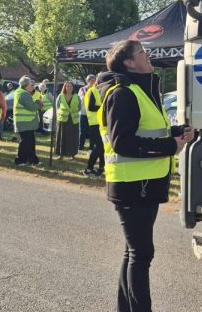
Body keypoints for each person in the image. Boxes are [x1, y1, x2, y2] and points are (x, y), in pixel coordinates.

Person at [97, 39, 194, 312]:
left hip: (143, 184)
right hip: (131, 186)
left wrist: (176, 132)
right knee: (141, 254)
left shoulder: (141, 90)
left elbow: (148, 130)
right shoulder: (123, 94)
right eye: (141, 52)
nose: (147, 55)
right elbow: (123, 142)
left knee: (133, 252)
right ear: (129, 63)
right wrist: (169, 146)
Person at [13, 76, 42, 167]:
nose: (32, 86)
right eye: (31, 84)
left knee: (30, 142)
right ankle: (20, 160)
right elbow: (32, 107)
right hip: (25, 123)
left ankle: (33, 160)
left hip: (25, 123)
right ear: (26, 85)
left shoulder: (21, 92)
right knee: (25, 142)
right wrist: (39, 103)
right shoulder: (24, 94)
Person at [84, 74, 105, 176]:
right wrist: (104, 107)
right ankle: (88, 169)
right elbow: (91, 107)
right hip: (94, 123)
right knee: (99, 146)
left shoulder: (101, 90)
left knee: (102, 146)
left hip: (102, 122)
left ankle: (101, 169)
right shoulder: (92, 90)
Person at [54, 81, 80, 160]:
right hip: (63, 120)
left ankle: (72, 154)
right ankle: (61, 155)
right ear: (64, 87)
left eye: (70, 86)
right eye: (67, 86)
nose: (69, 88)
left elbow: (79, 107)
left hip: (73, 120)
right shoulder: (60, 96)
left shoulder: (77, 96)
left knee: (73, 137)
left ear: (73, 87)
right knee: (62, 137)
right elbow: (57, 107)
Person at [78, 75, 96, 152]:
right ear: (87, 81)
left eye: (94, 80)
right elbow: (80, 100)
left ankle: (91, 148)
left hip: (93, 114)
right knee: (82, 131)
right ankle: (80, 147)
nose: (93, 82)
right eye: (91, 80)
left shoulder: (96, 89)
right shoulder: (82, 89)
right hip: (83, 113)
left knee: (92, 131)